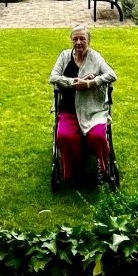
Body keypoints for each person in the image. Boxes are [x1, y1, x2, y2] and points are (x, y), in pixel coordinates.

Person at [49, 24, 117, 183]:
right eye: (75, 39)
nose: (78, 42)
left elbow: (111, 75)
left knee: (98, 137)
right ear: (71, 41)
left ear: (89, 41)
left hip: (92, 108)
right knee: (65, 136)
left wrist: (90, 83)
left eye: (82, 39)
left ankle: (102, 170)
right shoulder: (65, 56)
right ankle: (73, 171)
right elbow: (53, 77)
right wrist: (73, 82)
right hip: (69, 108)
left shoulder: (95, 57)